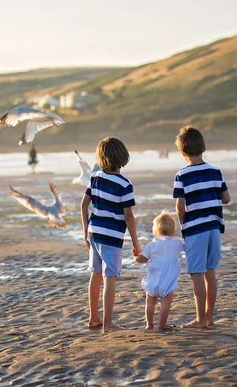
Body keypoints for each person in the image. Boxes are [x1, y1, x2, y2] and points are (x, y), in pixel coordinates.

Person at [80, 137, 141, 332]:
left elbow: (83, 205)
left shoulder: (95, 178)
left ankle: (94, 318)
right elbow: (129, 216)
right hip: (111, 237)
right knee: (110, 277)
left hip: (94, 233)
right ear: (123, 157)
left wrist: (85, 232)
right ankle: (108, 324)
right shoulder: (124, 184)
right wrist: (135, 242)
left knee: (95, 274)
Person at [173, 125, 231, 328]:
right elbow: (226, 198)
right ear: (204, 147)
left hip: (195, 228)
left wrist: (182, 221)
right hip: (214, 228)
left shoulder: (182, 175)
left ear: (182, 152)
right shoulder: (215, 172)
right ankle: (209, 317)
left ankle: (200, 319)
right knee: (210, 273)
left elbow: (180, 204)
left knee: (196, 273)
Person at [134, 211, 183, 330]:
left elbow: (141, 259)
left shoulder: (151, 245)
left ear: (156, 229)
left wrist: (136, 256)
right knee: (166, 304)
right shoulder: (176, 243)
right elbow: (189, 248)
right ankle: (162, 325)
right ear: (172, 230)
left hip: (153, 280)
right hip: (168, 281)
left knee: (150, 303)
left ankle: (149, 325)